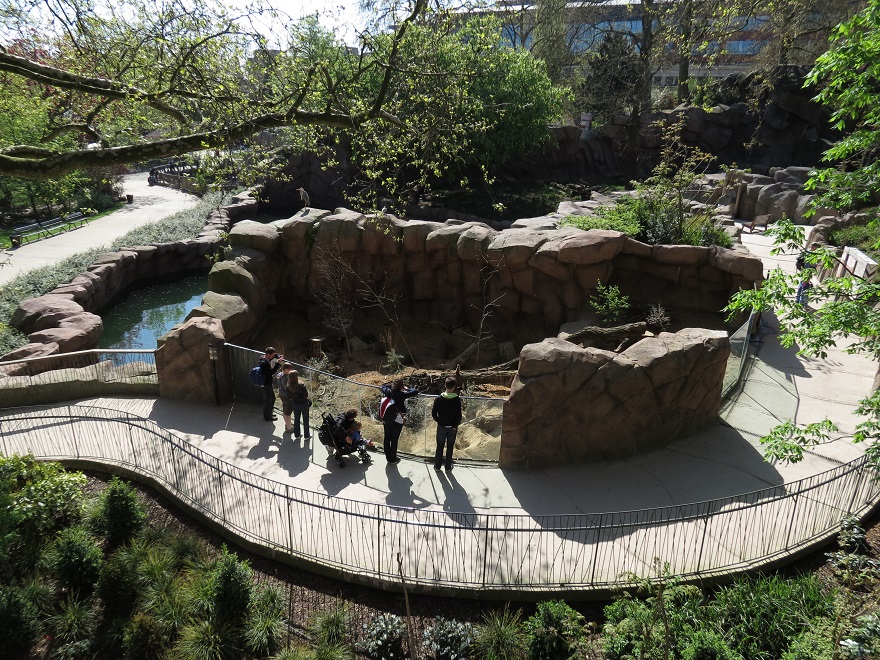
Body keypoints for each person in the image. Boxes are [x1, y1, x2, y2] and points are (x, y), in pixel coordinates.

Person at [380, 379, 419, 465]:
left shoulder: (388, 392)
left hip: (387, 418)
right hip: (397, 419)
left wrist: (391, 385)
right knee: (394, 439)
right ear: (401, 387)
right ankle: (392, 458)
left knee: (387, 438)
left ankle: (388, 457)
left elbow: (383, 386)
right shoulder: (402, 394)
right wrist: (406, 388)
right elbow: (415, 391)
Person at [431, 376, 462, 472]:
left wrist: (439, 421)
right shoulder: (457, 399)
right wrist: (454, 426)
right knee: (450, 447)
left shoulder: (438, 398)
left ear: (445, 385)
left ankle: (437, 466)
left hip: (441, 427)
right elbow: (458, 416)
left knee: (439, 446)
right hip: (452, 428)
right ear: (454, 387)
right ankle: (448, 467)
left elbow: (433, 413)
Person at [258, 347, 283, 421]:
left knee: (272, 399)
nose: (273, 357)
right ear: (268, 354)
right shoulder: (264, 363)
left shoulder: (264, 358)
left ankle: (269, 413)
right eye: (272, 355)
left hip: (267, 383)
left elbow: (275, 355)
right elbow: (271, 372)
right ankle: (267, 417)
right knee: (268, 400)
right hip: (266, 384)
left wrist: (279, 356)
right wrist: (278, 364)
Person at [286, 368, 311, 439]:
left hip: (295, 404)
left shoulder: (288, 386)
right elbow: (305, 395)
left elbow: (289, 396)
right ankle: (307, 436)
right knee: (305, 420)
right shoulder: (301, 385)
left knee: (296, 419)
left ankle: (297, 435)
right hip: (303, 404)